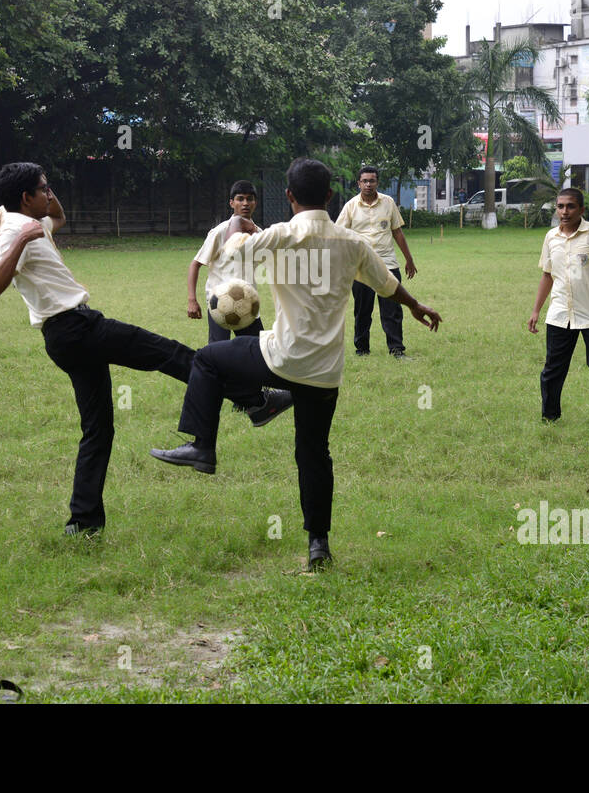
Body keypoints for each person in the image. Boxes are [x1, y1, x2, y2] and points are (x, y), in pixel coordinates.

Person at [149, 158, 442, 569]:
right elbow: (388, 285)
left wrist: (239, 222)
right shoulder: (353, 243)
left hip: (282, 359)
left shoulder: (279, 236)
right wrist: (416, 305)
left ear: (289, 196)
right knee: (313, 453)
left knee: (209, 360)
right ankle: (318, 544)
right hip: (325, 371)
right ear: (330, 196)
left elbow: (232, 248)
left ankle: (206, 444)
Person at [0, 163, 290, 537]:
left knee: (98, 430)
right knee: (173, 355)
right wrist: (20, 235)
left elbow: (58, 215)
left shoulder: (31, 222)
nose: (50, 195)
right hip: (78, 328)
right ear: (24, 198)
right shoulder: (18, 230)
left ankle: (83, 523)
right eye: (43, 189)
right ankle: (257, 402)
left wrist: (37, 205)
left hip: (65, 337)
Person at [528, 187, 589, 421]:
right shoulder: (551, 237)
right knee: (552, 370)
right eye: (560, 206)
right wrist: (536, 310)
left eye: (570, 206)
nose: (564, 211)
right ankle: (549, 418)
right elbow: (547, 275)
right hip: (560, 313)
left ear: (581, 209)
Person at [336, 166, 418, 359]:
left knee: (392, 309)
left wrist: (409, 259)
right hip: (361, 267)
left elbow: (397, 232)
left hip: (387, 264)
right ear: (359, 183)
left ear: (377, 183)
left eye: (372, 180)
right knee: (362, 310)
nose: (368, 184)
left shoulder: (388, 203)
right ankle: (362, 349)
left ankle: (397, 349)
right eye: (364, 181)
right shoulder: (350, 206)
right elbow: (339, 235)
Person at [187, 181, 264, 343]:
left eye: (249, 199)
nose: (245, 203)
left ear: (255, 203)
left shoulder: (259, 234)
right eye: (240, 199)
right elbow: (195, 264)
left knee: (259, 353)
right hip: (219, 302)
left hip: (247, 303)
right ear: (231, 203)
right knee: (217, 353)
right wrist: (192, 300)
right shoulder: (220, 232)